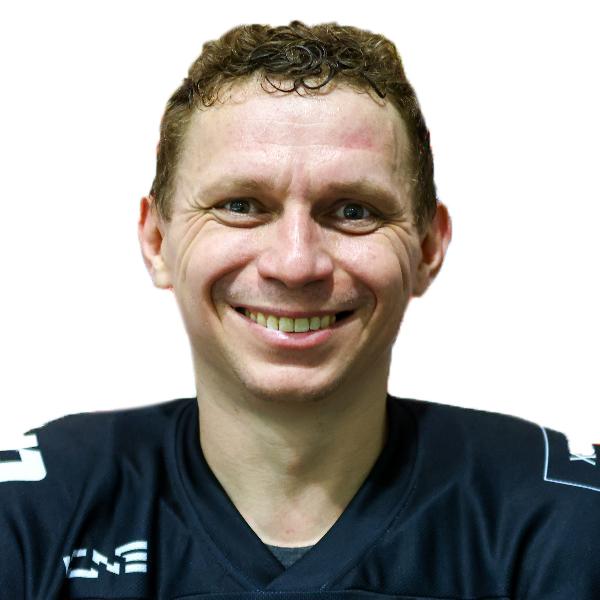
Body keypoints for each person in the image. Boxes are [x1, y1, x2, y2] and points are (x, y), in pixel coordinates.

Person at [1, 20, 598, 599]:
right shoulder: (31, 512)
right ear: (158, 240)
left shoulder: (565, 517)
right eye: (241, 205)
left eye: (354, 211)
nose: (295, 263)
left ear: (427, 248)